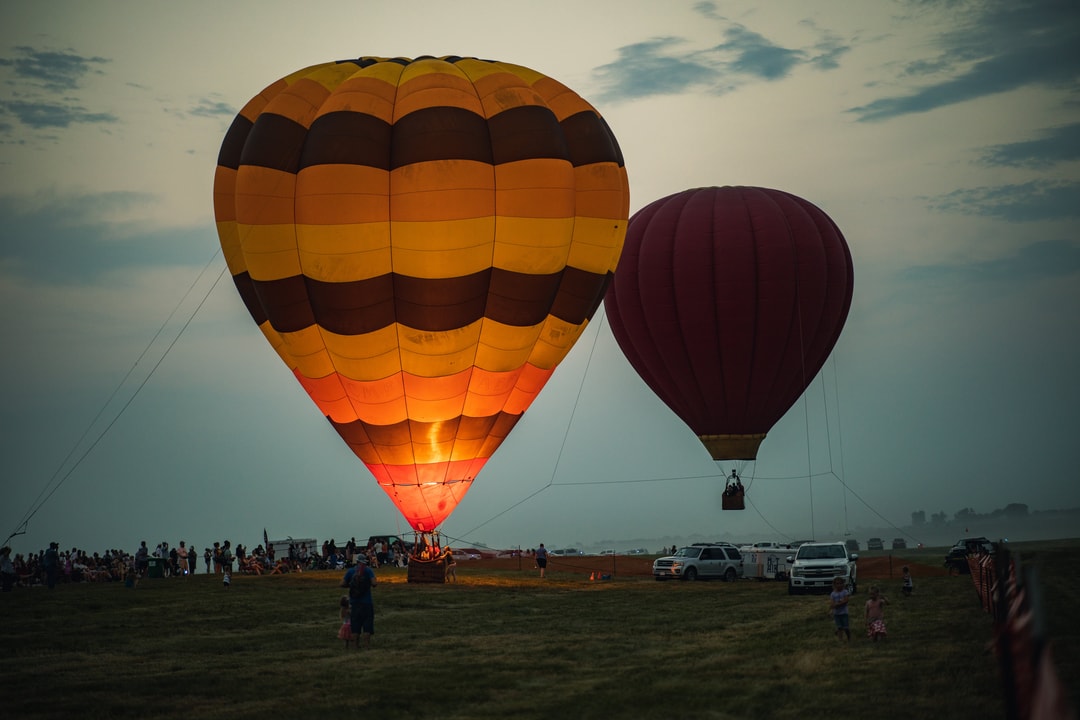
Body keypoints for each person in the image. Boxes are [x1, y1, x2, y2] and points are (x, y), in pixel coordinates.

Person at [341, 555, 377, 649]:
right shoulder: (368, 571)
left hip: (354, 603)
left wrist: (351, 586)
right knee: (367, 625)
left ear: (356, 562)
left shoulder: (350, 571)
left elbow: (342, 583)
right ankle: (367, 645)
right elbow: (374, 583)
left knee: (355, 625)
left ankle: (355, 646)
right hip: (367, 602)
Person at [828, 576, 851, 641]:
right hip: (837, 614)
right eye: (837, 584)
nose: (839, 585)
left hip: (844, 612)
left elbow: (846, 600)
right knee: (839, 627)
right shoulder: (833, 594)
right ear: (834, 585)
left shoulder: (845, 592)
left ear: (843, 584)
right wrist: (831, 609)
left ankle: (849, 637)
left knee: (846, 627)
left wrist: (837, 604)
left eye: (840, 583)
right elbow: (832, 603)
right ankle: (840, 639)